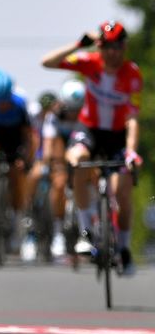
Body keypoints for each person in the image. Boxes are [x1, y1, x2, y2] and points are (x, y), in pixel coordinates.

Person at [41, 21, 142, 275]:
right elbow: (47, 62)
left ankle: (124, 248)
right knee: (77, 159)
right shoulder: (90, 62)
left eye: (118, 47)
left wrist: (130, 150)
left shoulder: (132, 74)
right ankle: (86, 230)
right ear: (100, 47)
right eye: (107, 47)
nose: (113, 53)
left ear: (124, 47)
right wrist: (77, 45)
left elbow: (132, 118)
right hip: (91, 131)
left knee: (122, 192)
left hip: (118, 136)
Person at [0, 67, 36, 258]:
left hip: (15, 141)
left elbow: (28, 136)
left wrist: (26, 158)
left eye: (6, 101)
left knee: (17, 174)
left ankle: (16, 215)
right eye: (0, 102)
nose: (3, 105)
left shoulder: (20, 105)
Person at [41, 80, 84, 259]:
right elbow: (50, 143)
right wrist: (51, 162)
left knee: (93, 179)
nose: (74, 114)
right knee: (58, 184)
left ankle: (94, 225)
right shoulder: (55, 116)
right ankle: (58, 231)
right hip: (61, 150)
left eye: (78, 110)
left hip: (81, 150)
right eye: (71, 110)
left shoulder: (87, 114)